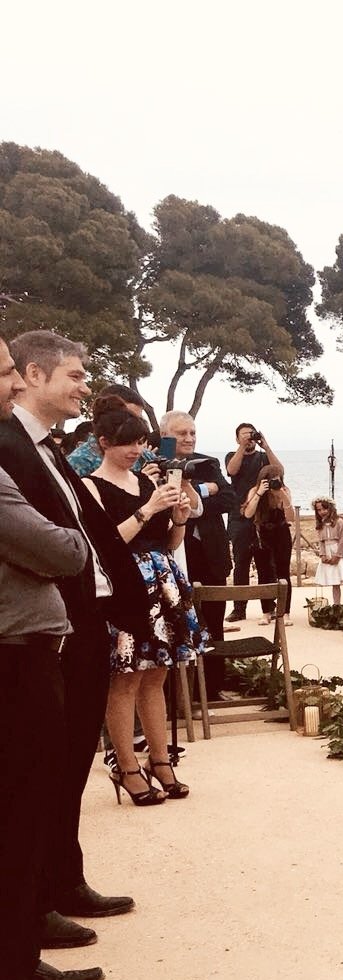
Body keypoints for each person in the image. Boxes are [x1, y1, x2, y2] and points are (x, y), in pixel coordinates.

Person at [0, 331, 146, 947]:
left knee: (68, 764)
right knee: (47, 771)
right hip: (49, 624)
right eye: (77, 377)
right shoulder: (11, 446)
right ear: (35, 376)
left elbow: (88, 532)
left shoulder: (51, 449)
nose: (87, 387)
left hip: (83, 620)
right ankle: (39, 901)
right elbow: (49, 542)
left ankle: (63, 879)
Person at [0, 336, 107, 980]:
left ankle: (21, 963)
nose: (9, 384)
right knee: (18, 819)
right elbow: (60, 545)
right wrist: (65, 544)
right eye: (4, 371)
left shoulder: (42, 449)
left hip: (38, 639)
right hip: (15, 652)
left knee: (33, 811)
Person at [85, 410, 206, 805]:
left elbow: (168, 543)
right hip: (124, 586)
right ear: (103, 442)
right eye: (126, 443)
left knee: (156, 676)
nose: (135, 450)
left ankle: (159, 760)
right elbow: (106, 544)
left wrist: (180, 520)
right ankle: (125, 765)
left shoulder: (145, 481)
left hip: (162, 581)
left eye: (140, 442)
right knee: (125, 678)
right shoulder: (92, 486)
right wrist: (150, 508)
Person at [160, 411, 233, 694]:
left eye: (192, 432)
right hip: (179, 551)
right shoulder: (160, 459)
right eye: (182, 434)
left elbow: (229, 498)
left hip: (211, 553)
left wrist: (196, 496)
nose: (189, 438)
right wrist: (207, 489)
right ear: (166, 436)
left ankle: (213, 688)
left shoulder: (207, 462)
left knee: (213, 622)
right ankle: (175, 692)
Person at [224, 422, 281, 621]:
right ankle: (239, 608)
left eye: (251, 433)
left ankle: (269, 606)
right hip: (239, 518)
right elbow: (232, 471)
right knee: (241, 563)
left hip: (263, 518)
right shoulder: (232, 455)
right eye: (244, 434)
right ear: (237, 438)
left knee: (266, 564)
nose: (248, 437)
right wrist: (242, 446)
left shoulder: (263, 457)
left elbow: (279, 471)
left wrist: (266, 446)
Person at [241, 463, 296, 624]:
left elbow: (291, 517)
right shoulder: (255, 491)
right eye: (271, 481)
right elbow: (248, 514)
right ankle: (266, 611)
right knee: (263, 573)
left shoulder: (284, 491)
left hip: (281, 532)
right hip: (261, 534)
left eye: (277, 480)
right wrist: (259, 493)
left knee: (283, 573)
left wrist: (282, 495)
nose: (274, 483)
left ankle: (285, 612)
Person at [65, 386, 150, 477]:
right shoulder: (79, 461)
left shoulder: (142, 455)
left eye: (138, 419)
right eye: (128, 416)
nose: (134, 424)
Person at [310, 498, 343, 606]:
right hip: (328, 552)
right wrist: (323, 555)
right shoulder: (321, 525)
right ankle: (336, 606)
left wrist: (338, 556)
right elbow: (321, 542)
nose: (322, 512)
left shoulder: (340, 522)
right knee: (335, 582)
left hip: (340, 553)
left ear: (331, 508)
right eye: (319, 510)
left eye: (324, 509)